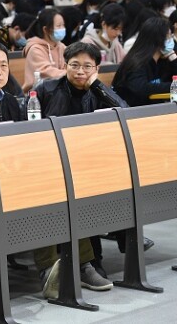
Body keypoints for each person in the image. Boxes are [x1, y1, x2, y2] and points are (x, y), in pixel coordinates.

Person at [34, 42, 122, 298]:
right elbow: (29, 127)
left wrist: (97, 85)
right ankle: (54, 269)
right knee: (54, 197)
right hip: (48, 165)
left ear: (96, 69)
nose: (80, 71)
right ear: (65, 66)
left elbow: (124, 113)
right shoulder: (47, 89)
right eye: (74, 65)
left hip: (87, 164)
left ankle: (84, 265)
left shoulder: (98, 91)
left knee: (82, 195)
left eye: (87, 66)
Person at [113, 17, 177, 106]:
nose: (171, 39)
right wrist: (173, 86)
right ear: (158, 39)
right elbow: (141, 88)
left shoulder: (163, 61)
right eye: (168, 36)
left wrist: (173, 58)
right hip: (133, 110)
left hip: (155, 109)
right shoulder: (135, 62)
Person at [22, 8, 67, 92]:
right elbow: (47, 72)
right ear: (46, 29)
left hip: (60, 90)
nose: (62, 28)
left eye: (63, 25)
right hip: (37, 93)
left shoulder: (61, 46)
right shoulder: (35, 49)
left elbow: (69, 64)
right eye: (58, 26)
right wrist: (70, 74)